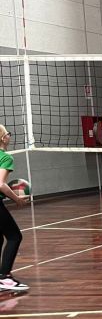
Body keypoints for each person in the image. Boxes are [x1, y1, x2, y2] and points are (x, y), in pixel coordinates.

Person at [0, 124, 28, 293]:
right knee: (14, 237)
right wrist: (16, 199)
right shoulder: (5, 157)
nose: (9, 135)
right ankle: (5, 277)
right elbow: (0, 184)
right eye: (7, 133)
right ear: (3, 138)